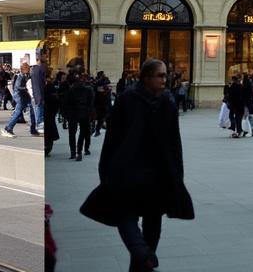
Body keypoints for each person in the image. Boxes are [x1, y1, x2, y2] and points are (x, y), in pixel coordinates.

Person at [81, 59, 194, 272]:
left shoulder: (165, 102)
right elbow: (113, 138)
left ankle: (142, 260)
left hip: (154, 174)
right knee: (128, 215)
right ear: (146, 77)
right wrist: (106, 169)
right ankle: (142, 254)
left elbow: (174, 142)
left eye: (165, 74)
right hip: (131, 171)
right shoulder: (130, 100)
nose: (165, 79)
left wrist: (177, 174)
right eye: (160, 75)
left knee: (145, 220)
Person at [62, 70, 94, 161]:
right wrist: (89, 112)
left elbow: (66, 103)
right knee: (82, 133)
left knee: (72, 134)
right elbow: (91, 103)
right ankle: (78, 151)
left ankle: (73, 152)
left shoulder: (71, 90)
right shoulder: (88, 90)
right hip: (83, 113)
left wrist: (65, 116)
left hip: (73, 114)